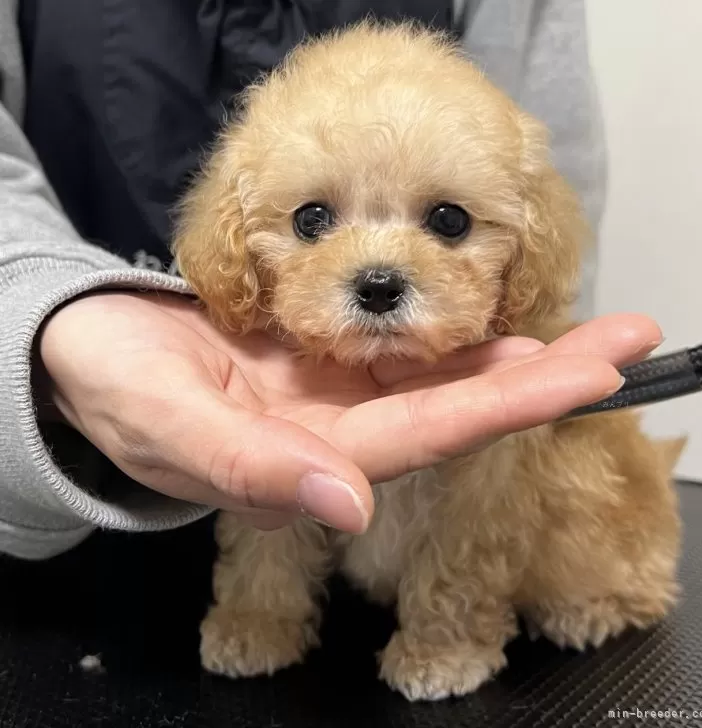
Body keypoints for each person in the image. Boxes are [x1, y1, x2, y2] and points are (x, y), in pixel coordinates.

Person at [0, 0, 660, 559]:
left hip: (447, 399)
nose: (379, 274)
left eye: (447, 220)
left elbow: (549, 153)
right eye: (314, 221)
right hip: (65, 526)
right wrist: (43, 327)